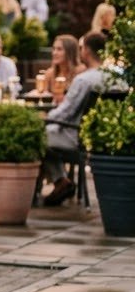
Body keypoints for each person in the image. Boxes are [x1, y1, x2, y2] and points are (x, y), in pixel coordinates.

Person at [41, 33, 109, 205]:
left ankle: (58, 182)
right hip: (99, 137)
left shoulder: (84, 79)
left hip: (76, 137)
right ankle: (61, 181)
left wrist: (43, 120)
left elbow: (65, 112)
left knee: (36, 137)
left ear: (86, 50)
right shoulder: (113, 77)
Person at [40, 34, 84, 104]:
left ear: (70, 52)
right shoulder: (50, 73)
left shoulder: (81, 72)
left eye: (59, 49)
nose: (54, 53)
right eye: (53, 49)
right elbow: (43, 99)